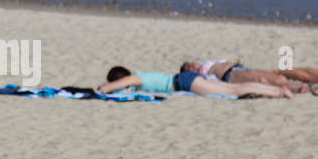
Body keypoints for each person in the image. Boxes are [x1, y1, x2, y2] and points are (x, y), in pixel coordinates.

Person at [97, 65, 292, 99]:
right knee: (232, 87)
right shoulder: (140, 76)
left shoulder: (136, 78)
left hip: (184, 83)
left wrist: (102, 88)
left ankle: (279, 92)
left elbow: (107, 88)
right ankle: (275, 89)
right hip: (185, 79)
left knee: (233, 91)